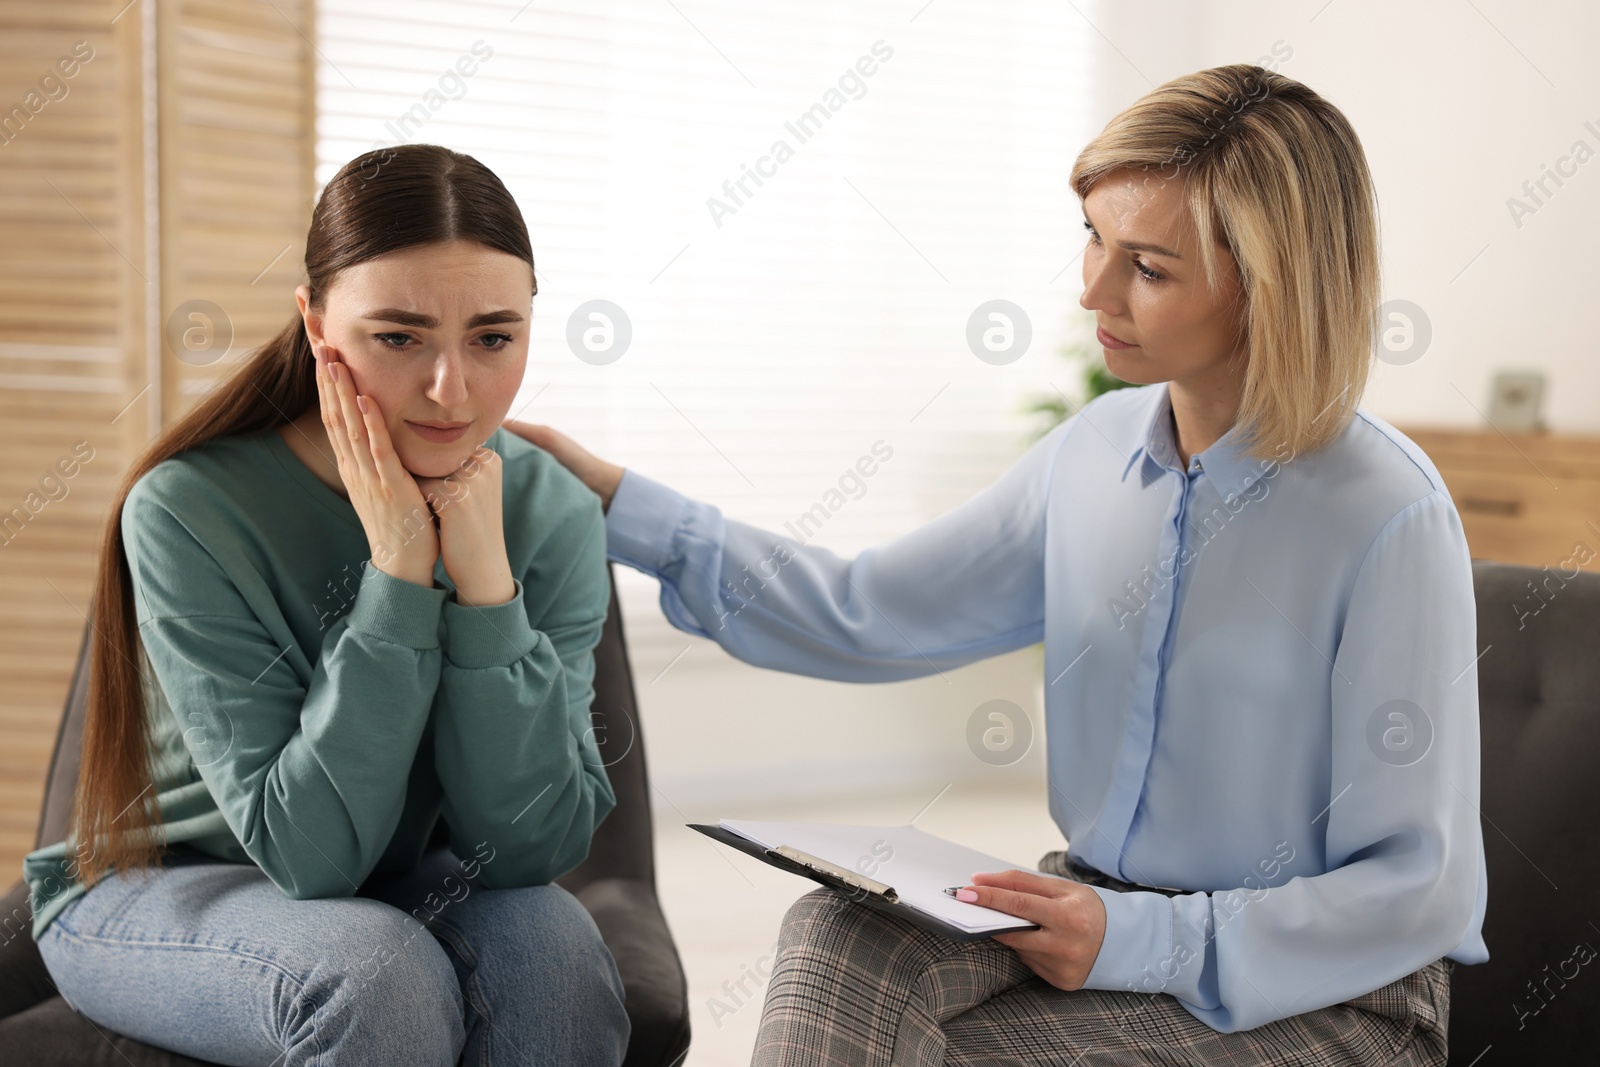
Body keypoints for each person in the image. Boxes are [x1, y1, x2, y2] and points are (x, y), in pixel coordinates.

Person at [506, 64, 1486, 1065]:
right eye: (1095, 241)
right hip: (1092, 905)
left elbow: (1418, 887)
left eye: (1147, 268)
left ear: (1269, 287)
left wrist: (1144, 937)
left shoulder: (1386, 515)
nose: (1091, 290)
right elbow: (867, 609)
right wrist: (616, 504)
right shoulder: (1092, 453)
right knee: (838, 931)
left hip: (1331, 997)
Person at [22, 144, 630, 1066]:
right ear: (316, 326)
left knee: (553, 946)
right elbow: (311, 858)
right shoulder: (189, 509)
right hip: (163, 883)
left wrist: (486, 590)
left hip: (401, 877)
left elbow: (526, 850)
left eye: (493, 338)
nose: (451, 390)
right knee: (373, 970)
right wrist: (397, 571)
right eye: (399, 337)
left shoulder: (552, 512)